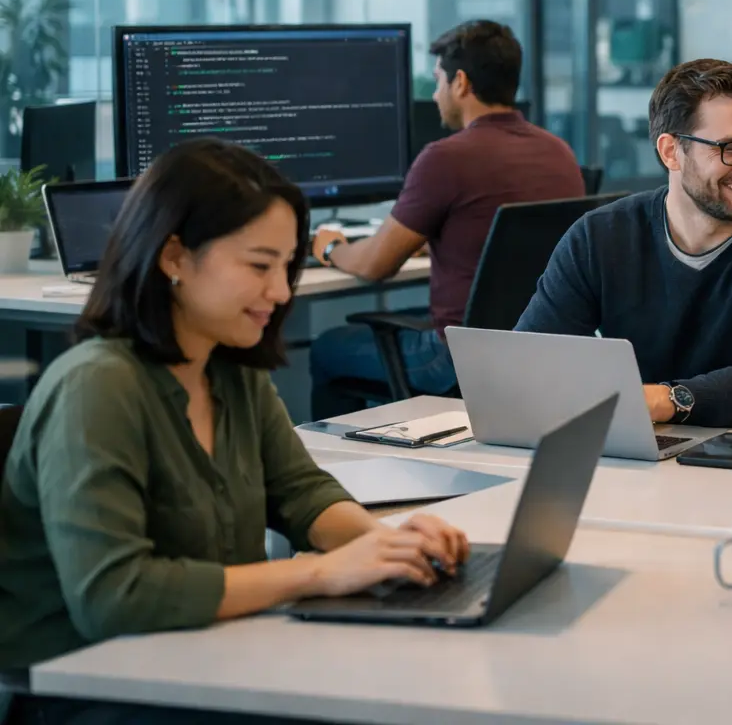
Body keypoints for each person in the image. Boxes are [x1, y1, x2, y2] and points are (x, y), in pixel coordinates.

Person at [0, 140, 468, 723]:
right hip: (88, 687)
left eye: (286, 266)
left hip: (204, 659)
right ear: (174, 256)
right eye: (259, 265)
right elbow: (115, 598)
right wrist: (319, 572)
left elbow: (302, 494)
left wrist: (382, 544)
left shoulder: (229, 368)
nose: (280, 291)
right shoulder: (98, 388)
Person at [515, 59, 732, 428]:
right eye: (731, 148)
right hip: (635, 448)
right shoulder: (601, 236)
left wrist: (668, 400)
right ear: (671, 152)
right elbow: (532, 361)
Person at [308, 20, 584, 416]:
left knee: (328, 347)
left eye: (438, 80)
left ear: (461, 83)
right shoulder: (558, 152)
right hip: (534, 351)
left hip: (453, 359)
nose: (435, 94)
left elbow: (374, 265)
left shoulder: (446, 158)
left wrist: (331, 246)